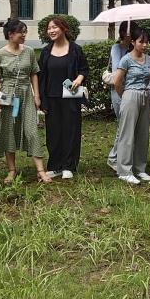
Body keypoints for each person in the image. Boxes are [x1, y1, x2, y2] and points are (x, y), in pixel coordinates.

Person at [0, 20, 50, 184]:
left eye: (25, 32)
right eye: (21, 32)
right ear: (10, 34)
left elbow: (34, 73)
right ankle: (11, 170)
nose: (24, 35)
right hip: (7, 97)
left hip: (26, 95)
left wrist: (36, 95)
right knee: (9, 131)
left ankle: (40, 171)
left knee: (31, 131)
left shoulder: (29, 51)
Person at [38, 17, 88, 179]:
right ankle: (55, 166)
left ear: (64, 29)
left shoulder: (75, 50)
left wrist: (79, 78)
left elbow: (84, 69)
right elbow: (41, 77)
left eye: (55, 27)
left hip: (70, 97)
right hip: (51, 97)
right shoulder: (46, 52)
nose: (51, 31)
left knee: (70, 131)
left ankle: (68, 166)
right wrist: (42, 99)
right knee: (53, 133)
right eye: (49, 28)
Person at [111, 25, 150, 185]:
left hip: (145, 96)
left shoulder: (149, 59)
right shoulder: (126, 59)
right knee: (127, 134)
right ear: (133, 42)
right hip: (130, 95)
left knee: (143, 134)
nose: (144, 45)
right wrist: (125, 96)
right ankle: (124, 170)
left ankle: (140, 168)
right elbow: (117, 82)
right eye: (141, 41)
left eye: (147, 42)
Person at [106, 21, 132, 171]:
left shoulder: (133, 48)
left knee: (128, 125)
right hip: (118, 89)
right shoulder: (117, 48)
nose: (129, 36)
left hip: (130, 89)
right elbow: (117, 69)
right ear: (122, 33)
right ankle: (113, 157)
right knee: (122, 124)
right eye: (127, 32)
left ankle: (123, 156)